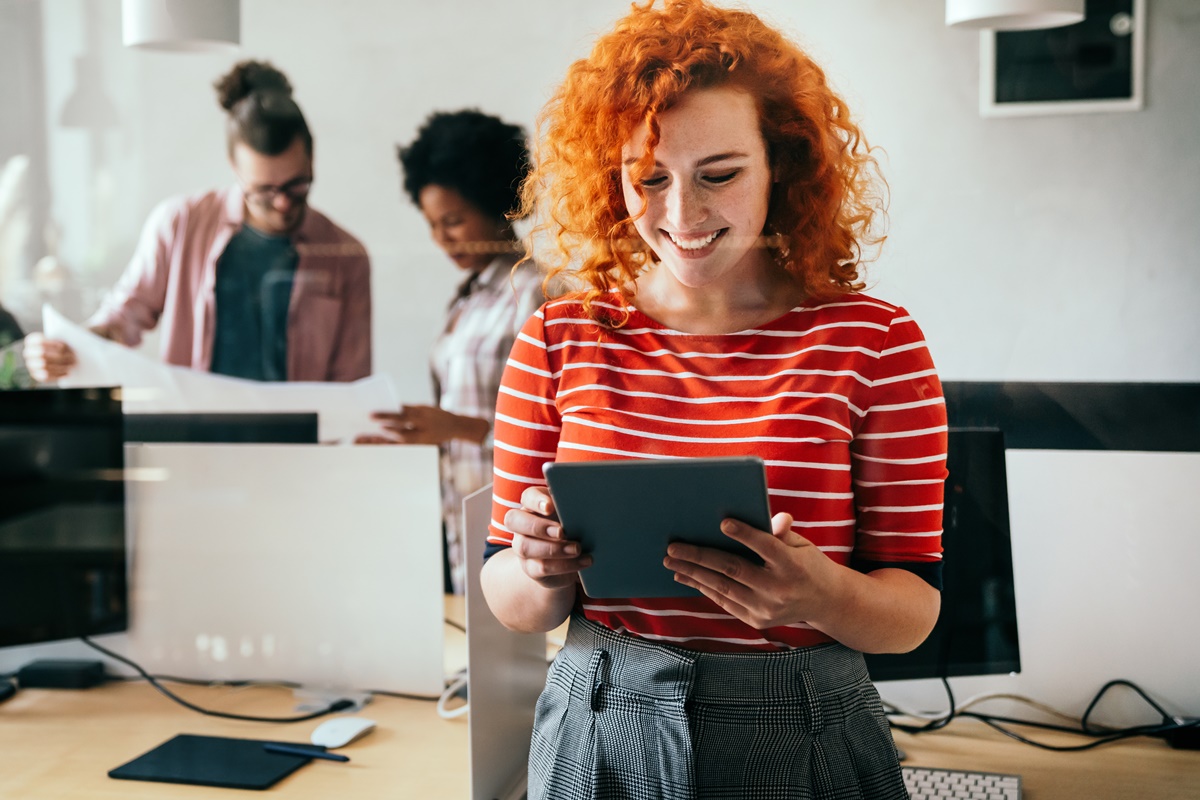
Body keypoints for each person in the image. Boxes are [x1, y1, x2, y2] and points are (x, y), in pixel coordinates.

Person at [480, 2, 948, 798]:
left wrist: (820, 592)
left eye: (720, 175)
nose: (681, 214)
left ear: (782, 167)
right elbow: (514, 603)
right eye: (649, 179)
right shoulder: (560, 336)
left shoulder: (875, 342)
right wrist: (537, 564)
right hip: (598, 720)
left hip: (805, 726)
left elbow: (914, 614)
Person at [23, 60, 371, 384]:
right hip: (190, 440)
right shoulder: (180, 225)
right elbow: (122, 319)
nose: (282, 202)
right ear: (234, 168)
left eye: (298, 185)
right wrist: (64, 350)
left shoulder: (346, 256)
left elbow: (352, 389)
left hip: (303, 448)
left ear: (312, 158)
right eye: (264, 190)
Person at [362, 110, 545, 595]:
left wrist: (458, 429)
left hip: (522, 526)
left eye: (454, 220)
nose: (441, 238)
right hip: (462, 519)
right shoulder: (464, 303)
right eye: (431, 224)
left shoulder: (536, 293)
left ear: (496, 203)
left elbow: (558, 435)